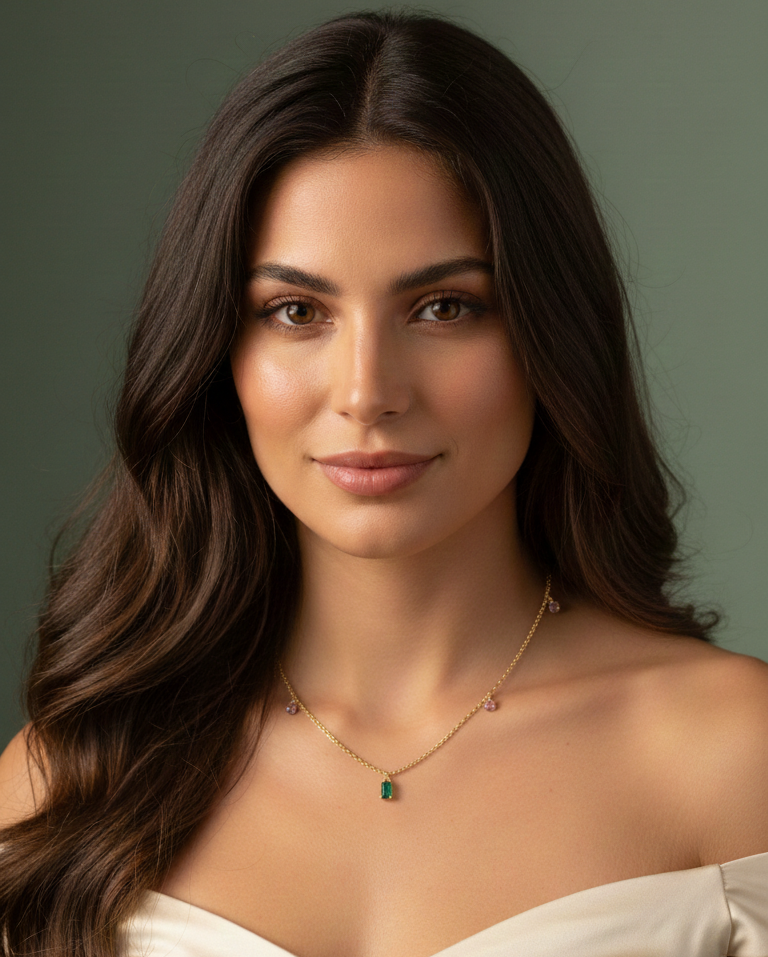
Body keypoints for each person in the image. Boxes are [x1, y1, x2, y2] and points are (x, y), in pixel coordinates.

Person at [1, 9, 766, 957]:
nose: (367, 391)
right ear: (216, 353)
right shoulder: (66, 783)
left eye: (444, 306)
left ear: (549, 334)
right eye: (295, 311)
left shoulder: (735, 756)